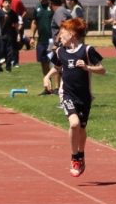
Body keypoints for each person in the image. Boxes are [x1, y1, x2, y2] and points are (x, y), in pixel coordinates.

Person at [44, 17, 106, 177]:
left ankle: (81, 154)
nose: (59, 37)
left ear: (71, 34)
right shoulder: (59, 51)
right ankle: (74, 157)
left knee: (82, 128)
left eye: (62, 33)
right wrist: (47, 76)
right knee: (74, 124)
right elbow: (58, 66)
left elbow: (102, 70)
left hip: (84, 96)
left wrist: (87, 67)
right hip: (67, 94)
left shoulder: (87, 50)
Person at [30, 0, 54, 83]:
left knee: (53, 63)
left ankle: (57, 88)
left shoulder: (52, 6)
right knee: (43, 63)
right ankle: (48, 86)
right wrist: (32, 37)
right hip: (41, 40)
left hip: (52, 40)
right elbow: (34, 22)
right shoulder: (37, 7)